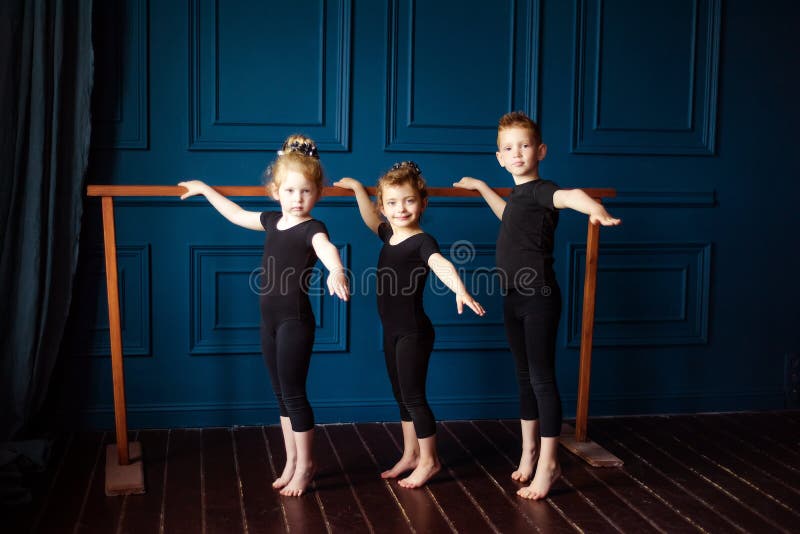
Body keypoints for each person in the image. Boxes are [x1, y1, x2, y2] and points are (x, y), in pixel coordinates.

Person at [453, 111, 621, 500]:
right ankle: (529, 452)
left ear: (540, 150)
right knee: (524, 376)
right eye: (509, 148)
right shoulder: (519, 198)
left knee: (541, 379)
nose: (517, 153)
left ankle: (549, 463)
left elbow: (570, 196)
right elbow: (508, 215)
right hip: (512, 295)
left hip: (539, 296)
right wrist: (480, 186)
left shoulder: (544, 189)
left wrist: (595, 209)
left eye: (525, 146)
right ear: (499, 156)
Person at [178, 135, 349, 497]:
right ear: (275, 191)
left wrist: (336, 271)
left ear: (317, 193)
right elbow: (238, 214)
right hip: (268, 322)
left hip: (294, 322)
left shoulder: (313, 229)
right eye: (289, 191)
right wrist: (206, 190)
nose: (297, 199)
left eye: (305, 192)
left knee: (294, 393)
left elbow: (327, 249)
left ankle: (307, 465)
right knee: (280, 395)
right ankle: (291, 461)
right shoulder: (272, 221)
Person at [334, 162, 486, 488]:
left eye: (408, 201)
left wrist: (459, 288)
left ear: (423, 203)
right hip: (392, 332)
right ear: (384, 206)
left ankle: (430, 460)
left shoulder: (422, 241)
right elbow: (369, 218)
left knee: (414, 397)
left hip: (415, 332)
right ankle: (411, 454)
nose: (400, 208)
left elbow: (440, 264)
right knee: (401, 396)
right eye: (392, 202)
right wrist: (360, 189)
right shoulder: (389, 234)